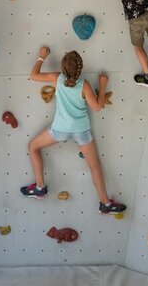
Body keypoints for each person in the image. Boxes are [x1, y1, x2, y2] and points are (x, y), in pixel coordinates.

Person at [20, 47, 127, 216]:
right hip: (81, 130)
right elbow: (97, 107)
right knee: (94, 166)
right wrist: (103, 85)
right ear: (80, 68)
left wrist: (41, 58)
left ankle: (40, 187)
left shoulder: (58, 78)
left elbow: (33, 75)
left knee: (33, 147)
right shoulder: (84, 85)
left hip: (60, 130)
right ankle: (105, 203)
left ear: (63, 68)